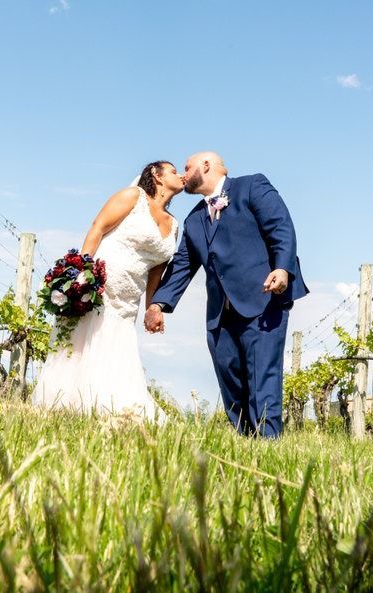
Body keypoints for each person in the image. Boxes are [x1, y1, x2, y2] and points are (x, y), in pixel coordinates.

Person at [148, 152, 307, 437]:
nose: (183, 174)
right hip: (221, 314)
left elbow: (281, 227)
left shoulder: (251, 186)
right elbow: (183, 265)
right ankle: (246, 442)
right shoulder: (195, 219)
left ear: (206, 165)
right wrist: (159, 303)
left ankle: (269, 446)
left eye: (187, 167)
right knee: (230, 381)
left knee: (262, 379)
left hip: (263, 300)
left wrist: (282, 269)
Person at [31, 161, 184, 420]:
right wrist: (80, 273)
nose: (180, 176)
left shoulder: (174, 224)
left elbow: (157, 270)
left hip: (129, 296)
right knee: (83, 341)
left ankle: (113, 404)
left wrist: (152, 308)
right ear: (156, 176)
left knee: (116, 344)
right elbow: (98, 227)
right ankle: (67, 403)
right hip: (101, 283)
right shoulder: (133, 197)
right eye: (173, 171)